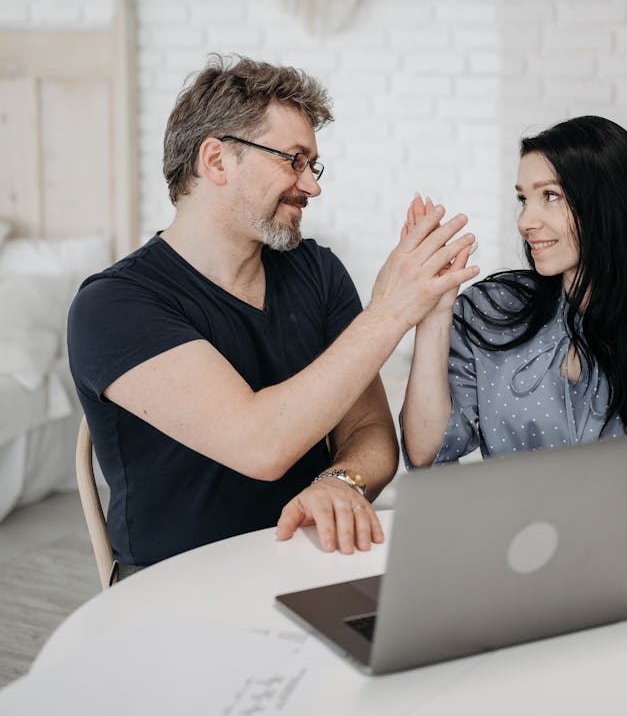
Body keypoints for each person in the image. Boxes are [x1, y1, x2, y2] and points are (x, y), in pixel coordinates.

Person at [68, 56, 478, 578]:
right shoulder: (114, 306)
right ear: (216, 161)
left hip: (310, 561)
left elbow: (371, 428)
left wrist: (341, 480)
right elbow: (259, 444)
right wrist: (393, 309)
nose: (312, 186)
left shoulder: (318, 272)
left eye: (314, 165)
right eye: (293, 160)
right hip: (179, 586)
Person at [401, 115, 627, 523]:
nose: (526, 221)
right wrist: (434, 316)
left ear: (608, 203)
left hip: (612, 568)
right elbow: (427, 452)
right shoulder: (490, 312)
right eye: (524, 198)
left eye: (551, 196)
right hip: (504, 557)